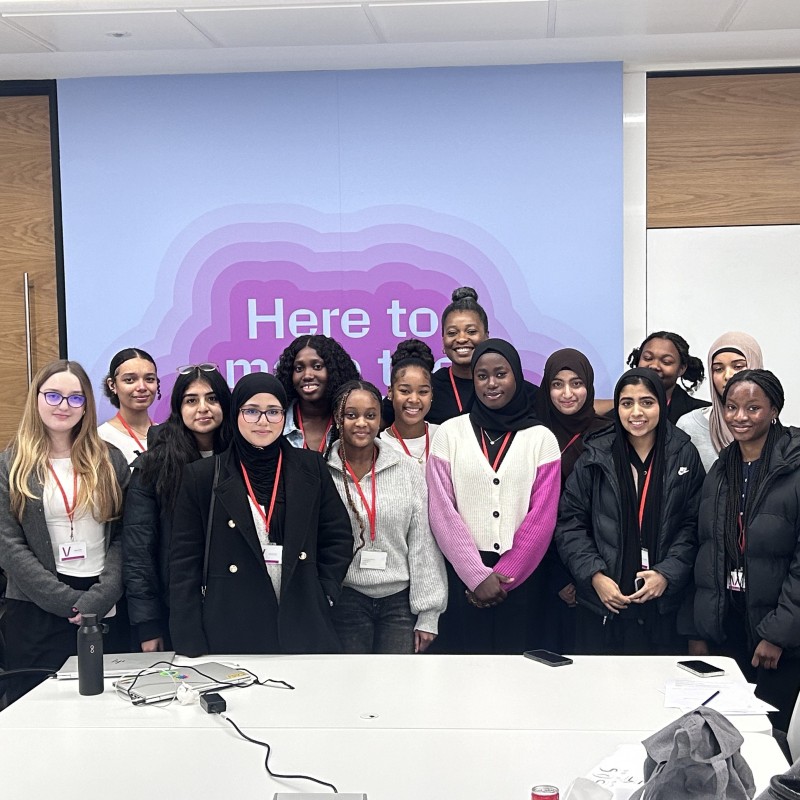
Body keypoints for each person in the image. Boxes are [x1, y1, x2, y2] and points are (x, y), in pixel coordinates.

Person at [169, 372, 353, 656]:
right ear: (236, 413)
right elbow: (184, 561)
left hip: (303, 618)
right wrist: (188, 637)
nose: (263, 422)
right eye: (252, 411)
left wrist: (324, 591)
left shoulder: (311, 467)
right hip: (231, 623)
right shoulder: (202, 476)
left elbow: (338, 535)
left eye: (273, 412)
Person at [0, 360, 128, 700]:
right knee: (38, 713)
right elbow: (7, 545)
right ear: (36, 398)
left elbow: (124, 535)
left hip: (103, 602)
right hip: (34, 609)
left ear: (87, 404)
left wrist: (99, 597)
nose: (63, 406)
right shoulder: (10, 464)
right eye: (54, 395)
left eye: (75, 398)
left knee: (108, 711)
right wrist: (68, 602)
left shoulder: (110, 460)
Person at [555, 368, 704, 655]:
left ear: (661, 403)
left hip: (662, 607)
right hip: (604, 603)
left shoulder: (684, 453)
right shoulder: (595, 454)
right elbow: (570, 524)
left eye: (647, 402)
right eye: (627, 403)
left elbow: (693, 525)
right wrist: (595, 576)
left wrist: (667, 574)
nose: (637, 412)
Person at [427, 338, 560, 654]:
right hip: (463, 576)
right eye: (482, 376)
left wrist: (506, 578)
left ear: (516, 376)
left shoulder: (541, 439)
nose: (491, 383)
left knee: (517, 678)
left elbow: (542, 516)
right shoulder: (449, 433)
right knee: (464, 677)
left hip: (522, 578)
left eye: (501, 374)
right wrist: (475, 576)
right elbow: (442, 511)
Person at [694, 369, 800, 732]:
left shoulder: (794, 466)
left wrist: (777, 634)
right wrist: (702, 628)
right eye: (732, 407)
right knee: (729, 734)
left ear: (774, 409)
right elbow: (708, 550)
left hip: (780, 636)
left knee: (772, 736)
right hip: (731, 626)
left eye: (753, 408)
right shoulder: (722, 469)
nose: (740, 417)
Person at [326, 380, 447, 654]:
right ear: (337, 419)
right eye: (351, 415)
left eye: (370, 415)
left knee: (397, 689)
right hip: (346, 599)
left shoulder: (406, 470)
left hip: (399, 603)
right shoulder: (323, 472)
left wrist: (428, 614)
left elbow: (423, 543)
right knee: (351, 688)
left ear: (381, 419)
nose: (361, 423)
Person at [123, 364, 232, 652]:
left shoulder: (242, 458)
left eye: (212, 399)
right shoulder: (154, 464)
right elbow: (139, 550)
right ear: (178, 408)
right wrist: (148, 623)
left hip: (235, 601)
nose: (203, 408)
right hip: (176, 607)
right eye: (191, 400)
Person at [533, 348, 611, 652]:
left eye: (576, 383)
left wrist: (588, 575)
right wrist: (558, 579)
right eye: (557, 384)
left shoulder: (609, 435)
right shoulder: (532, 434)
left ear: (589, 386)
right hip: (542, 569)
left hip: (596, 569)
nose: (567, 393)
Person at [677, 332, 763, 472]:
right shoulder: (689, 426)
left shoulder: (772, 429)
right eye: (718, 369)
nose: (728, 376)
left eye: (738, 366)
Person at [274, 335, 360, 454]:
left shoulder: (354, 421)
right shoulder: (275, 423)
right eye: (299, 368)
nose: (307, 375)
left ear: (334, 371)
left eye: (317, 367)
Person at [379, 339, 438, 470]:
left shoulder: (444, 436)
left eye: (423, 392)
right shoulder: (380, 444)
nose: (414, 399)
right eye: (405, 391)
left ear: (431, 394)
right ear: (390, 392)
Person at [626, 331, 709, 424]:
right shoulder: (618, 414)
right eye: (648, 358)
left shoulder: (702, 415)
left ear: (681, 368)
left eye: (666, 361)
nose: (654, 366)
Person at [98, 347, 161, 464]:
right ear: (112, 385)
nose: (142, 387)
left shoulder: (168, 435)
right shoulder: (100, 438)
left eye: (149, 379)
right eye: (130, 380)